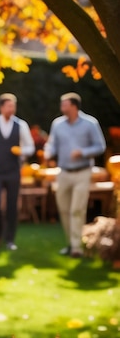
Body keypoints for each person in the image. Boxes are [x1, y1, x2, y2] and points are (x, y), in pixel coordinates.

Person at [44, 92, 106, 258]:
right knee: (64, 209)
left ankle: (78, 247)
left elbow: (100, 146)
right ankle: (71, 243)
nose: (61, 107)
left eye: (64, 104)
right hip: (63, 172)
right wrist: (48, 152)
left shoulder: (90, 123)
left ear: (73, 106)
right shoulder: (57, 124)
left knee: (77, 210)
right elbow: (53, 145)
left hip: (83, 172)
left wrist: (83, 152)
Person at [0, 93, 35, 251]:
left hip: (13, 171)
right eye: (9, 106)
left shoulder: (21, 125)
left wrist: (22, 152)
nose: (12, 109)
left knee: (12, 206)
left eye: (13, 106)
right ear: (1, 107)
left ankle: (10, 239)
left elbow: (30, 147)